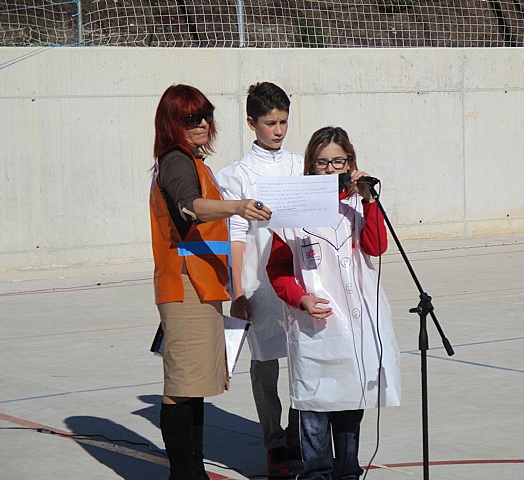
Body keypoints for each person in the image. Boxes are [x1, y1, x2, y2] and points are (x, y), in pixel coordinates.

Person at [150, 84, 271, 480]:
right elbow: (191, 205)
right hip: (185, 285)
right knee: (182, 385)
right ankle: (185, 474)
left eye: (206, 114)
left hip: (197, 285)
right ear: (173, 124)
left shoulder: (191, 161)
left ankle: (192, 471)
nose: (202, 123)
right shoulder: (175, 161)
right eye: (191, 118)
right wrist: (237, 205)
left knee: (193, 382)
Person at [266, 126, 401, 480]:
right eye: (322, 163)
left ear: (350, 164)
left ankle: (348, 473)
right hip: (314, 329)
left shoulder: (356, 208)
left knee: (348, 412)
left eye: (338, 162)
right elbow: (278, 269)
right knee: (314, 413)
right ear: (310, 167)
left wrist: (369, 198)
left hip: (353, 330)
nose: (330, 170)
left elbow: (376, 247)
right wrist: (302, 298)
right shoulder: (291, 213)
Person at [215, 81, 303, 477]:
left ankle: (302, 434)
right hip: (257, 281)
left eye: (284, 121)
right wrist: (236, 290)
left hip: (301, 277)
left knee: (306, 357)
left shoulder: (301, 164)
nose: (279, 130)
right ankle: (274, 442)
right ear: (252, 123)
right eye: (270, 122)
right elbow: (233, 235)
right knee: (265, 362)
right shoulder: (235, 175)